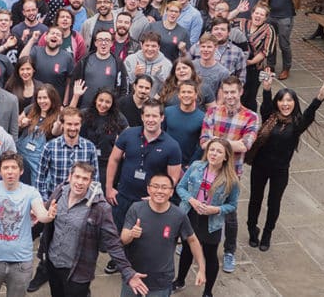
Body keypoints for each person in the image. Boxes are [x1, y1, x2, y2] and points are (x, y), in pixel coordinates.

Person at [39, 162, 149, 297]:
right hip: (53, 263)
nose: (80, 182)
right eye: (77, 177)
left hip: (77, 272)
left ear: (91, 181)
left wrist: (128, 273)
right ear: (70, 177)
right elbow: (46, 213)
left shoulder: (100, 208)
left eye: (85, 179)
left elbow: (113, 243)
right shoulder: (60, 191)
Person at [247, 75, 324, 252]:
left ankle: (267, 233)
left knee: (274, 203)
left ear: (294, 103)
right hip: (260, 167)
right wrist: (267, 89)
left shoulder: (297, 124)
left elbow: (310, 113)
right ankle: (252, 228)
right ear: (277, 103)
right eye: (282, 100)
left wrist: (320, 97)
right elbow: (265, 105)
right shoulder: (270, 117)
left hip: (280, 171)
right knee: (255, 199)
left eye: (289, 101)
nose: (285, 104)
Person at [104, 99, 182, 275]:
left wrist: (158, 197)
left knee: (142, 235)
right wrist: (109, 187)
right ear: (142, 116)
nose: (151, 119)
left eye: (155, 116)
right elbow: (114, 159)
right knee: (119, 231)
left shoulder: (172, 146)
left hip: (147, 202)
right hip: (123, 196)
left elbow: (173, 178)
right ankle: (118, 260)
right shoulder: (128, 135)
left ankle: (136, 265)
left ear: (162, 118)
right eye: (147, 115)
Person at [199, 76, 259, 273]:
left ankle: (229, 251)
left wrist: (216, 142)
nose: (230, 96)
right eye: (226, 92)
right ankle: (196, 243)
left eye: (233, 92)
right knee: (202, 206)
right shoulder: (212, 112)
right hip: (209, 170)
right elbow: (203, 142)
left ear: (240, 92)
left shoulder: (251, 117)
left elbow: (245, 145)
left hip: (232, 173)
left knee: (229, 212)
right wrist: (229, 144)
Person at [0, 151, 54, 297]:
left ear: (21, 171)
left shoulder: (30, 192)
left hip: (21, 263)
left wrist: (48, 215)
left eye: (14, 167)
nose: (10, 171)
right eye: (6, 168)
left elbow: (41, 213)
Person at [173, 138, 240, 297]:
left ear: (226, 157)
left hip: (211, 221)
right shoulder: (196, 167)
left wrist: (216, 209)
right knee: (187, 249)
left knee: (210, 255)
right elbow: (180, 187)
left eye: (219, 151)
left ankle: (208, 291)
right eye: (212, 150)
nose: (214, 154)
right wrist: (191, 200)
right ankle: (180, 280)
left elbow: (232, 205)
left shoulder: (231, 179)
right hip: (191, 214)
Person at [121, 173, 207, 296]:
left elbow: (192, 240)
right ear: (148, 189)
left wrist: (201, 269)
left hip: (161, 282)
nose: (159, 191)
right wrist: (131, 234)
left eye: (164, 187)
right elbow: (123, 239)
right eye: (155, 186)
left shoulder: (179, 215)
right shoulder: (136, 209)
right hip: (134, 278)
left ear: (171, 192)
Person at [36, 107, 99, 201]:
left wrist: (90, 202)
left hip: (81, 202)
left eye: (76, 124)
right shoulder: (50, 147)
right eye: (69, 124)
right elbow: (40, 177)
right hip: (55, 200)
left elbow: (95, 179)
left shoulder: (90, 148)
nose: (73, 128)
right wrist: (45, 201)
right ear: (62, 124)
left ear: (81, 125)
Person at [164, 80, 207, 168]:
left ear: (196, 95)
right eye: (183, 92)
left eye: (189, 92)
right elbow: (160, 134)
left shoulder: (203, 117)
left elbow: (201, 145)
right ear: (179, 95)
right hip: (164, 160)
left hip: (186, 165)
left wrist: (191, 164)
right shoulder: (168, 111)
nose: (186, 95)